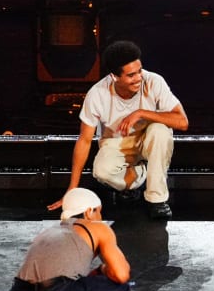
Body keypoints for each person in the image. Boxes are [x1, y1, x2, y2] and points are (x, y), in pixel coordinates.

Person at [48, 40, 188, 220]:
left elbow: (182, 122)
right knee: (101, 171)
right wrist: (72, 189)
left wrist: (141, 113)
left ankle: (157, 200)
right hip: (117, 143)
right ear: (114, 77)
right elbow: (84, 140)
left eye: (139, 71)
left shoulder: (154, 81)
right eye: (131, 75)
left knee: (160, 130)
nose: (138, 78)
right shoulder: (97, 93)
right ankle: (139, 178)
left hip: (148, 139)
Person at [9, 187, 132, 291]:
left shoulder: (49, 233)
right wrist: (104, 269)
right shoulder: (97, 227)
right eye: (99, 212)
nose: (100, 218)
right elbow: (122, 274)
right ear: (89, 212)